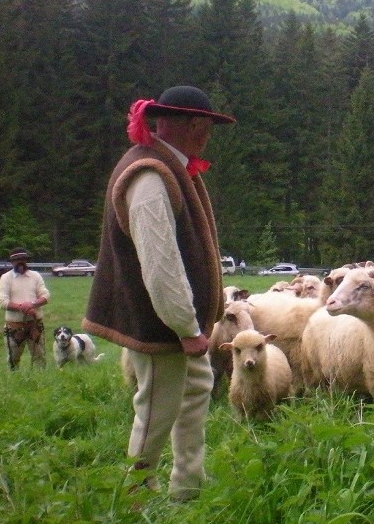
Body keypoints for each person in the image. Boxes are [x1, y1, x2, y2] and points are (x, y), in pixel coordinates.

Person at [82, 85, 235, 501]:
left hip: (176, 320)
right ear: (193, 125)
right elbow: (160, 262)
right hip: (158, 320)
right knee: (157, 407)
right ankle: (135, 493)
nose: (207, 135)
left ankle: (188, 483)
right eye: (205, 126)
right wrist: (184, 325)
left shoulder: (170, 167)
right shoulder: (150, 175)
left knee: (195, 390)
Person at [0, 247, 50, 370]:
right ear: (12, 262)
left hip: (34, 324)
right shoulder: (6, 278)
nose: (20, 262)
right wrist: (22, 307)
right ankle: (14, 384)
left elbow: (46, 295)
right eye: (17, 260)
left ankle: (40, 383)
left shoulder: (35, 276)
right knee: (13, 359)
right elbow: (2, 302)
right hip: (14, 326)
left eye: (23, 259)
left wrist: (32, 304)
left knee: (39, 357)